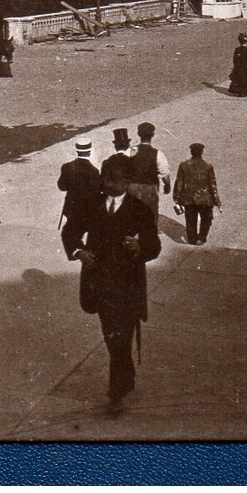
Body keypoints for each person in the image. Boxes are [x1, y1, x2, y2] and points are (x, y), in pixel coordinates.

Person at [63, 153, 162, 410]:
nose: (110, 184)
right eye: (106, 178)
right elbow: (71, 230)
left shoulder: (139, 209)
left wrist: (140, 245)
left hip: (128, 284)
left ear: (128, 181)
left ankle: (115, 392)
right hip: (100, 284)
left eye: (116, 180)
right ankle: (125, 375)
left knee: (121, 335)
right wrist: (79, 251)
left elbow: (154, 245)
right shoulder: (90, 204)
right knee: (111, 335)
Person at [172, 143, 221, 246]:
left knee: (190, 220)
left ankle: (192, 239)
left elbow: (179, 182)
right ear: (201, 152)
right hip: (205, 198)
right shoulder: (208, 166)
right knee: (206, 219)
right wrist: (217, 201)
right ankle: (201, 238)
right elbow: (212, 184)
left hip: (189, 199)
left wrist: (176, 197)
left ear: (191, 152)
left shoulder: (184, 165)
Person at [57, 137, 103, 234]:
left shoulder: (66, 167)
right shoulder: (93, 171)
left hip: (71, 208)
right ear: (89, 152)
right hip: (87, 211)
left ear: (77, 151)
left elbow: (61, 187)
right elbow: (97, 192)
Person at [123, 121, 171, 211]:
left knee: (133, 217)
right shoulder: (158, 154)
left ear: (138, 134)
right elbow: (165, 174)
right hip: (150, 190)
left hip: (133, 189)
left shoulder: (130, 151)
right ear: (153, 135)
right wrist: (167, 185)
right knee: (150, 217)